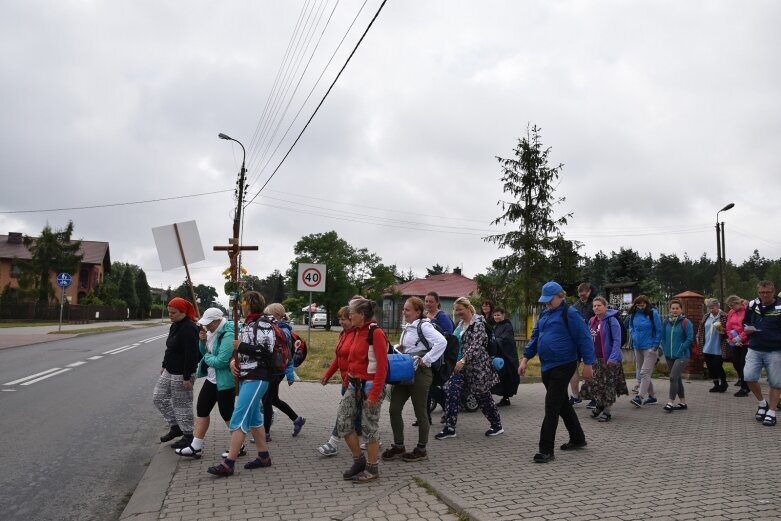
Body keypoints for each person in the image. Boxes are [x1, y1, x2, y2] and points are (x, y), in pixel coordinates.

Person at [519, 281, 595, 463]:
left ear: (561, 296)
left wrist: (588, 364)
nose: (546, 303)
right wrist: (525, 359)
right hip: (547, 365)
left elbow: (585, 338)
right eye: (544, 300)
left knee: (551, 406)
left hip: (565, 364)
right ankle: (578, 438)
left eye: (550, 300)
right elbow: (535, 337)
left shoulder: (571, 313)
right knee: (561, 403)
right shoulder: (544, 315)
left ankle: (546, 450)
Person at [206, 291, 272, 477]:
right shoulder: (249, 323)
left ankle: (229, 463)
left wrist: (240, 347)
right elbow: (242, 352)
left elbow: (266, 351)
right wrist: (234, 362)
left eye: (243, 303)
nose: (241, 307)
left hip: (258, 377)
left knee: (239, 417)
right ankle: (263, 456)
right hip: (247, 376)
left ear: (249, 304)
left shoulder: (264, 324)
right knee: (253, 420)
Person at [383, 297, 446, 462]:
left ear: (418, 312)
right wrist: (399, 348)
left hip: (421, 375)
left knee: (421, 412)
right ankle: (399, 446)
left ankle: (421, 449)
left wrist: (427, 360)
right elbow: (411, 347)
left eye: (407, 310)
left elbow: (442, 342)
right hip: (405, 373)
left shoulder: (423, 326)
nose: (404, 312)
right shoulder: (408, 328)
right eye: (403, 309)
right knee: (394, 409)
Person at [435, 297, 503, 440]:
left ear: (467, 308)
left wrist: (464, 360)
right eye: (456, 310)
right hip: (459, 368)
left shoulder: (478, 324)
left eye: (460, 309)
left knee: (483, 397)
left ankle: (496, 425)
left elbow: (477, 345)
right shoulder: (460, 324)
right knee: (452, 393)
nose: (458, 312)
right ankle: (449, 427)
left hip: (477, 368)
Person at [336, 298, 389, 482]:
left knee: (369, 428)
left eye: (352, 313)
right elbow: (352, 360)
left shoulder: (376, 333)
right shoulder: (356, 332)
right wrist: (346, 380)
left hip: (370, 386)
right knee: (343, 422)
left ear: (363, 315)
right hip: (352, 384)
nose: (349, 315)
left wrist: (374, 393)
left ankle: (372, 468)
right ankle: (359, 461)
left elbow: (383, 367)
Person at [175, 307, 235, 458]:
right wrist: (202, 342)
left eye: (209, 323)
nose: (206, 327)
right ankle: (196, 447)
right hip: (212, 378)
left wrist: (207, 358)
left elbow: (221, 361)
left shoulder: (228, 334)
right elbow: (205, 352)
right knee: (202, 409)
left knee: (227, 414)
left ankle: (238, 446)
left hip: (225, 380)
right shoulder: (212, 332)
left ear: (217, 321)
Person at [154, 297, 200, 449]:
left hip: (183, 373)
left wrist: (187, 377)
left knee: (182, 404)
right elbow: (170, 348)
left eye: (173, 312)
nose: (170, 315)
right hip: (170, 369)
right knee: (159, 397)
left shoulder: (189, 328)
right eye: (169, 312)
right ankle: (176, 427)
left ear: (183, 312)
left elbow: (192, 354)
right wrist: (164, 364)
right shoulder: (175, 325)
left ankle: (188, 435)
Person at [580, 297, 628, 421]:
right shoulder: (592, 320)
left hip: (608, 359)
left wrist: (613, 357)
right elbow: (589, 339)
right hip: (595, 359)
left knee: (608, 385)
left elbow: (617, 340)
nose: (596, 308)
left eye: (599, 305)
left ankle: (607, 412)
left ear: (605, 307)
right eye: (594, 306)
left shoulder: (612, 320)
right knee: (596, 384)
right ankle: (599, 405)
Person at [262, 303, 305, 441]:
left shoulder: (283, 331)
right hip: (275, 369)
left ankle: (265, 433)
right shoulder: (277, 328)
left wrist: (290, 374)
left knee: (267, 401)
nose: (267, 318)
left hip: (276, 370)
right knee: (273, 399)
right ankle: (297, 419)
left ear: (279, 316)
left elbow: (288, 354)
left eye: (269, 316)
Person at [743, 281, 781, 426]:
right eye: (761, 292)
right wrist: (747, 328)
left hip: (775, 350)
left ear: (773, 291)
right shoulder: (753, 305)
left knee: (775, 382)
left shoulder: (780, 306)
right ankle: (762, 403)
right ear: (758, 292)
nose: (764, 295)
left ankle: (771, 412)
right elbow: (745, 321)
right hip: (755, 347)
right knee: (748, 377)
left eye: (767, 292)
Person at [318, 306, 354, 456]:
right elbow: (339, 358)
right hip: (346, 381)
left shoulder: (357, 335)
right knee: (354, 415)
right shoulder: (344, 334)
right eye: (339, 318)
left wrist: (348, 380)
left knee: (344, 413)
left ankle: (332, 443)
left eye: (343, 319)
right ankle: (372, 439)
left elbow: (355, 361)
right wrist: (328, 374)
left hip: (353, 382)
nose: (340, 322)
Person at [627, 295, 663, 408]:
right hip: (637, 347)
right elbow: (630, 325)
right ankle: (652, 397)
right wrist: (632, 333)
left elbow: (659, 330)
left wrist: (655, 345)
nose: (640, 306)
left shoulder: (653, 313)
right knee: (644, 373)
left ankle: (640, 397)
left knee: (644, 373)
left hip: (650, 347)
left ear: (647, 303)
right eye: (638, 304)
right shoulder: (634, 313)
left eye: (642, 303)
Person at [660, 299, 694, 413]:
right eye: (672, 308)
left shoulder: (686, 322)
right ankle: (683, 402)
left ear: (681, 309)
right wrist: (664, 348)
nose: (674, 310)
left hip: (682, 355)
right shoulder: (666, 322)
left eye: (677, 308)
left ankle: (670, 402)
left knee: (673, 377)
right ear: (670, 309)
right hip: (669, 355)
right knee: (677, 379)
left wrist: (681, 348)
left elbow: (690, 338)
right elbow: (663, 337)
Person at [569, 282, 597, 407]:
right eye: (580, 294)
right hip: (576, 342)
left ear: (589, 291)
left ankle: (594, 397)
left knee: (591, 369)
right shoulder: (575, 306)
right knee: (572, 368)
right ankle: (575, 396)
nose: (582, 296)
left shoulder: (595, 305)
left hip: (591, 341)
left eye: (584, 294)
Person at [697, 298, 729, 393]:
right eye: (709, 308)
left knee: (717, 366)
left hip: (719, 345)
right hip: (707, 345)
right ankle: (716, 385)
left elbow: (729, 329)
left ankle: (724, 383)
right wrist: (698, 334)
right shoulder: (706, 316)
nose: (711, 310)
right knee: (710, 367)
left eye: (713, 307)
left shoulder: (724, 316)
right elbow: (701, 327)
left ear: (718, 306)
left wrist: (722, 330)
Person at [491, 307, 520, 406]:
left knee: (507, 377)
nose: (496, 317)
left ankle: (506, 398)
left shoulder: (507, 326)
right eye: (494, 315)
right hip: (499, 356)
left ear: (503, 315)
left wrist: (495, 341)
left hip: (507, 357)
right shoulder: (496, 326)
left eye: (498, 315)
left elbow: (506, 339)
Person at [724, 295, 750, 397]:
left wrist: (741, 338)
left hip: (746, 341)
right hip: (735, 341)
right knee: (735, 363)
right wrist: (732, 338)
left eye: (732, 305)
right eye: (729, 306)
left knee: (743, 363)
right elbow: (728, 326)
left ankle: (744, 387)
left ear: (738, 303)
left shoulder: (747, 311)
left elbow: (748, 327)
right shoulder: (731, 312)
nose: (731, 308)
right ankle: (743, 381)